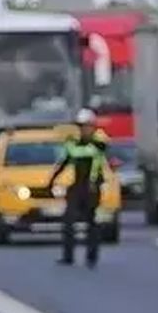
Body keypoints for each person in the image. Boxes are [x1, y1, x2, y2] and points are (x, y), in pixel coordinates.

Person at [48, 108, 109, 268]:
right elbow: (64, 162)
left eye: (87, 126)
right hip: (77, 186)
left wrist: (72, 147)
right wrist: (52, 180)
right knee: (68, 221)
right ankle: (68, 256)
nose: (84, 129)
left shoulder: (99, 144)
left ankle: (91, 256)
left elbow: (89, 153)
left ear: (93, 127)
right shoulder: (75, 144)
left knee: (92, 223)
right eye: (82, 126)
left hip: (93, 187)